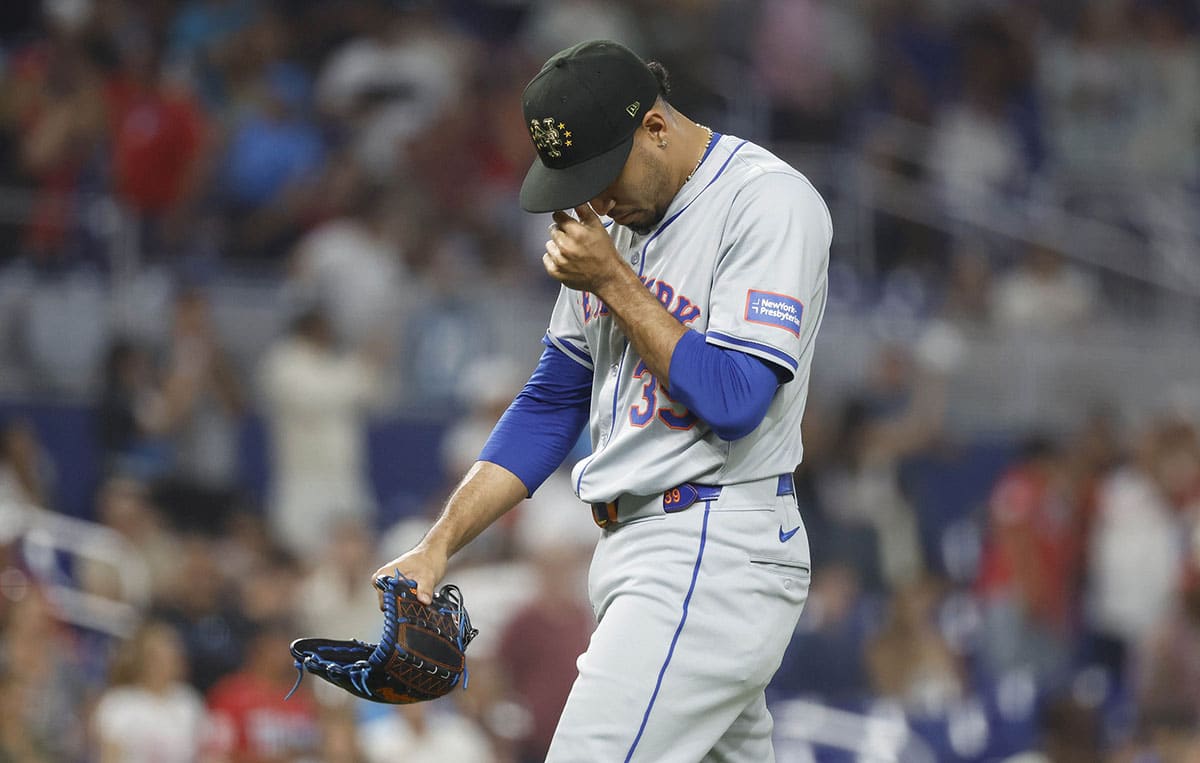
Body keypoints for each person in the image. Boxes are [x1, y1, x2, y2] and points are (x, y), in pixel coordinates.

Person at [374, 40, 831, 762]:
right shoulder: (611, 229)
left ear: (654, 127)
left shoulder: (765, 200)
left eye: (601, 172)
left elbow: (738, 397)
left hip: (710, 540)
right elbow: (553, 401)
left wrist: (613, 279)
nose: (595, 200)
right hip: (634, 551)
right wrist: (439, 546)